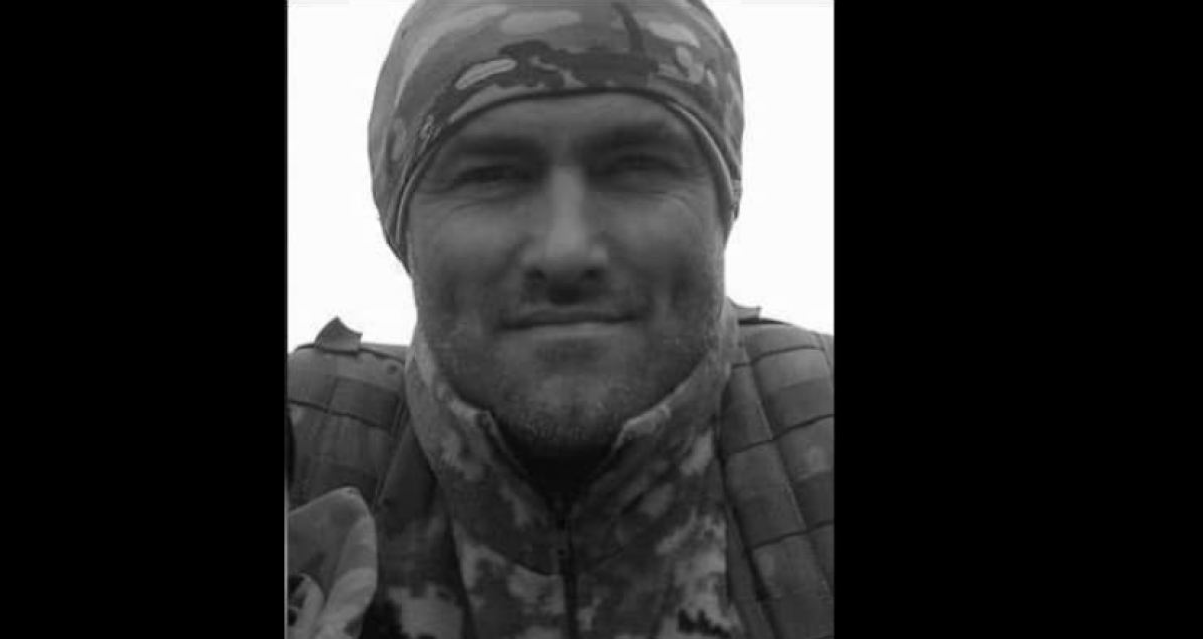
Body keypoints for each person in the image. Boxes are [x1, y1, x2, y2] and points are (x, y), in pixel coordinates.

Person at [287, 1, 833, 637]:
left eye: (636, 165)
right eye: (492, 174)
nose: (566, 250)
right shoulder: (310, 441)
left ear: (723, 204)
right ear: (402, 227)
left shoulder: (816, 424)